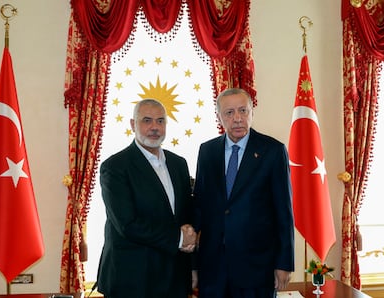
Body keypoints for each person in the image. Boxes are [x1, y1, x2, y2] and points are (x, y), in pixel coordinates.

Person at [193, 88, 295, 298]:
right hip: (213, 267)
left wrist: (284, 263)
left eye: (243, 111)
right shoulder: (207, 151)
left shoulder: (273, 151)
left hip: (257, 268)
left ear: (252, 112)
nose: (237, 118)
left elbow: (284, 211)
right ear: (219, 116)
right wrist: (192, 263)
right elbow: (199, 207)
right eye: (229, 113)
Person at [97, 99, 196, 298]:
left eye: (160, 121)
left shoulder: (178, 163)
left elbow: (186, 216)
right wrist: (178, 238)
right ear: (133, 124)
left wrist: (192, 260)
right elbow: (127, 224)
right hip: (132, 280)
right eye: (147, 120)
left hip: (174, 277)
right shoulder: (115, 167)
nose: (154, 127)